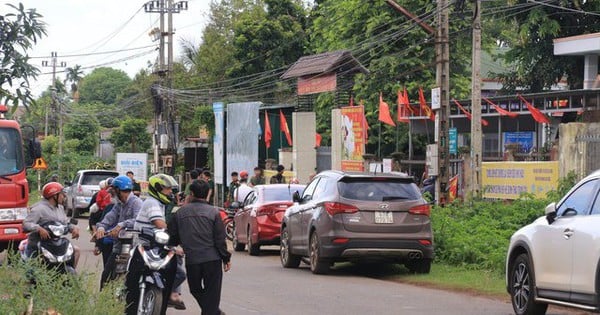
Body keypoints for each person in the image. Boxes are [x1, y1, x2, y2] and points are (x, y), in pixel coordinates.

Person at [168, 180, 231, 315]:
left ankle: (214, 312)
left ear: (191, 193)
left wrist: (175, 246)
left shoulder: (180, 213)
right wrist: (226, 258)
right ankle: (214, 312)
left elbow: (172, 237)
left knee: (195, 290)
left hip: (193, 260)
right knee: (212, 294)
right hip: (212, 260)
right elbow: (220, 240)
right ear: (208, 193)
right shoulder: (214, 212)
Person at [128, 174, 181, 313]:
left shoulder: (161, 204)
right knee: (132, 279)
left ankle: (168, 295)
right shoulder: (152, 203)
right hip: (144, 247)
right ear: (157, 188)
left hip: (156, 246)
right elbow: (159, 223)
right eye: (167, 189)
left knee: (178, 269)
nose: (170, 192)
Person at [94, 175, 143, 289]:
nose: (112, 194)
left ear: (119, 190)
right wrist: (101, 227)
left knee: (132, 278)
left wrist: (122, 225)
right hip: (118, 246)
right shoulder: (119, 205)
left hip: (133, 247)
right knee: (107, 275)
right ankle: (104, 303)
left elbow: (138, 220)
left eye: (114, 191)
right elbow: (109, 218)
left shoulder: (137, 203)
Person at [23, 182, 81, 267]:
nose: (64, 197)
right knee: (31, 271)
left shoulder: (60, 208)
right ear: (54, 196)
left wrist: (73, 228)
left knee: (76, 251)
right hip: (38, 243)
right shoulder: (39, 208)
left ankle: (71, 275)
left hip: (56, 242)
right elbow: (26, 223)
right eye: (62, 194)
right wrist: (38, 228)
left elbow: (65, 222)